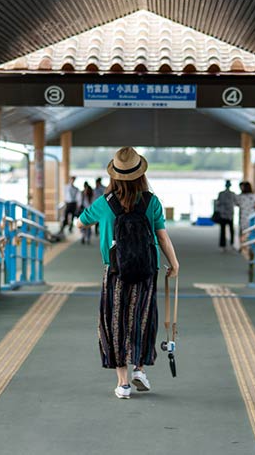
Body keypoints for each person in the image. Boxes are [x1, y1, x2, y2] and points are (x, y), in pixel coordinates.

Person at [78, 147, 180, 400]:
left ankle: (123, 384)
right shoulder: (151, 201)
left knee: (115, 321)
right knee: (142, 317)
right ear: (140, 174)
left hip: (115, 271)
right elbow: (162, 237)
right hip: (147, 269)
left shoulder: (105, 203)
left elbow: (80, 221)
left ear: (114, 176)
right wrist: (174, 264)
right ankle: (140, 369)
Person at [215, 180, 236, 252]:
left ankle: (222, 245)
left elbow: (217, 203)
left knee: (223, 230)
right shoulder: (233, 194)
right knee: (231, 230)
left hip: (222, 214)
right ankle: (232, 244)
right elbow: (236, 202)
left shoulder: (221, 194)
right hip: (230, 214)